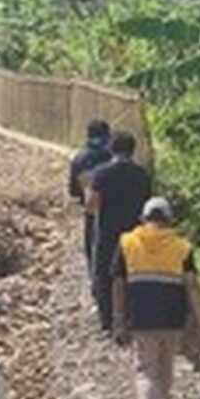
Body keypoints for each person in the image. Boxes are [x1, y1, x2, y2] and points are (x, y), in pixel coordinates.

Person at [111, 196, 200, 399]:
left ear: (144, 219)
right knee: (165, 368)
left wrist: (118, 318)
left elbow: (118, 285)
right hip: (172, 318)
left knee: (146, 371)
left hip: (141, 318)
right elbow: (191, 286)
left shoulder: (127, 243)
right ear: (169, 220)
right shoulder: (182, 247)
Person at [88, 131, 151, 335]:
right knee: (132, 273)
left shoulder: (101, 173)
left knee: (104, 274)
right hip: (134, 232)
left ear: (111, 148)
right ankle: (131, 316)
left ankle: (108, 321)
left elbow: (92, 205)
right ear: (133, 150)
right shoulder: (142, 174)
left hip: (108, 231)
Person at [68, 119, 113, 281]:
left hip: (91, 211)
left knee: (92, 251)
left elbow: (73, 191)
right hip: (114, 210)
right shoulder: (111, 157)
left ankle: (96, 288)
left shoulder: (78, 159)